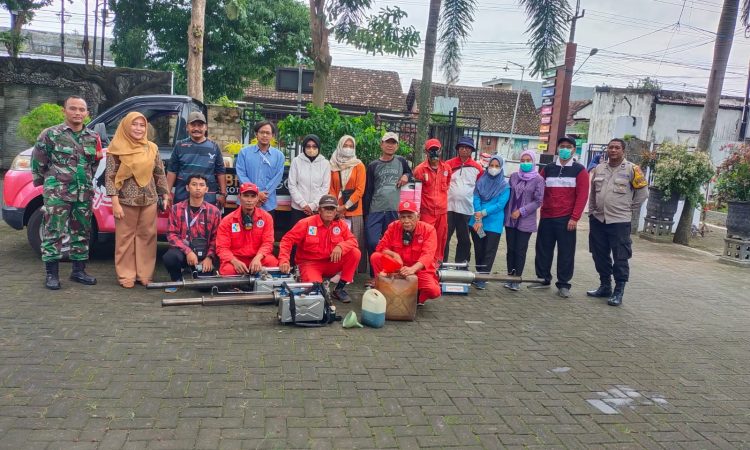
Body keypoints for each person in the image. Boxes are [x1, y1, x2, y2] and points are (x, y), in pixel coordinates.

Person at [31, 95, 102, 290]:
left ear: (87, 113)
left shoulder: (92, 137)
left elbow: (95, 163)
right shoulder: (50, 134)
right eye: (73, 108)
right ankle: (51, 274)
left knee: (81, 232)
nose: (77, 113)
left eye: (81, 109)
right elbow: (38, 162)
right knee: (54, 231)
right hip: (57, 193)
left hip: (83, 193)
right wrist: (50, 183)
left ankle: (78, 271)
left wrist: (85, 180)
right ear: (64, 111)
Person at [105, 112, 170, 288]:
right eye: (134, 124)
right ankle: (126, 275)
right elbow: (110, 177)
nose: (138, 129)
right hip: (126, 200)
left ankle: (145, 274)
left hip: (149, 199)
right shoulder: (116, 148)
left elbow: (159, 173)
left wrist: (165, 194)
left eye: (142, 125)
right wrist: (115, 202)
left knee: (147, 237)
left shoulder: (152, 148)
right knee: (125, 238)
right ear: (126, 126)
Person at [587, 138, 649, 306]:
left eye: (617, 148)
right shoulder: (599, 168)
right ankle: (605, 286)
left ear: (623, 151)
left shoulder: (632, 169)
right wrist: (591, 212)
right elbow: (593, 193)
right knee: (599, 255)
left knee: (620, 256)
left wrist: (628, 209)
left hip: (619, 221)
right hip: (598, 219)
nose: (613, 150)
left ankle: (618, 291)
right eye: (610, 147)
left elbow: (642, 194)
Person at [530, 136, 590, 298]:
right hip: (547, 216)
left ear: (574, 150)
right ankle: (542, 278)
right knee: (543, 249)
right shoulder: (548, 169)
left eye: (568, 147)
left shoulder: (580, 170)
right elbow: (537, 189)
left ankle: (564, 284)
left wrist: (575, 218)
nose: (565, 149)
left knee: (566, 252)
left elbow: (582, 196)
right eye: (562, 146)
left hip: (566, 218)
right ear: (557, 149)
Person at [279, 195, 361, 303]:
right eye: (325, 208)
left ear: (336, 211)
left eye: (332, 209)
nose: (329, 211)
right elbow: (287, 240)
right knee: (317, 293)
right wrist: (284, 260)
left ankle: (339, 289)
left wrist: (341, 246)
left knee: (355, 253)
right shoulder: (306, 223)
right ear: (319, 210)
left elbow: (353, 241)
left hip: (331, 262)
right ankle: (319, 286)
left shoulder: (340, 224)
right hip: (309, 264)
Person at [363, 132, 412, 283]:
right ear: (381, 144)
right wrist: (366, 213)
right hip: (376, 209)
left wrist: (406, 176)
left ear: (397, 146)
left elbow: (410, 173)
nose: (390, 145)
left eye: (393, 143)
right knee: (372, 241)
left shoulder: (401, 161)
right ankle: (374, 275)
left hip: (393, 210)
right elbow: (368, 190)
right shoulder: (373, 165)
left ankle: (389, 272)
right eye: (387, 142)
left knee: (391, 244)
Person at [370, 200, 441, 304]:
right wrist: (394, 255)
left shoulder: (429, 230)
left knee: (434, 291)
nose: (406, 221)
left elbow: (428, 255)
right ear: (399, 218)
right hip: (397, 268)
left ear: (418, 217)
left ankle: (416, 297)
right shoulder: (393, 226)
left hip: (418, 270)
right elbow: (381, 247)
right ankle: (383, 288)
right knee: (375, 257)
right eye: (403, 217)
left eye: (410, 216)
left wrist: (413, 269)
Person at [162, 174, 222, 292]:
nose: (198, 188)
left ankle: (199, 274)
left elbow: (217, 237)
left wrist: (209, 257)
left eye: (201, 185)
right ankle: (176, 279)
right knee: (170, 257)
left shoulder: (214, 211)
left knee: (204, 288)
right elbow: (171, 235)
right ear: (187, 188)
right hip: (184, 252)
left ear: (207, 189)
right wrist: (188, 251)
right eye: (194, 184)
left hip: (204, 255)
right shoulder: (176, 209)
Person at [216, 182, 279, 276]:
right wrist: (234, 261)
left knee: (272, 263)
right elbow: (222, 248)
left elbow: (268, 243)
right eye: (246, 196)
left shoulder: (266, 217)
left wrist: (258, 258)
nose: (249, 200)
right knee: (227, 270)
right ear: (239, 197)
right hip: (236, 259)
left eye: (253, 196)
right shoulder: (227, 220)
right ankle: (236, 289)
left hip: (257, 257)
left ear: (257, 198)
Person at [166, 111, 227, 208]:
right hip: (183, 196)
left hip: (208, 197)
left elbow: (221, 172)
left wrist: (223, 194)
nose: (196, 129)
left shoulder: (214, 147)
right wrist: (167, 193)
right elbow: (172, 171)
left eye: (200, 125)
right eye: (193, 125)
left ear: (206, 127)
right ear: (187, 127)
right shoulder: (180, 146)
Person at [504, 150, 545, 291]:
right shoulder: (514, 176)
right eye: (523, 160)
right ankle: (510, 276)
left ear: (533, 162)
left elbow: (538, 201)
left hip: (525, 220)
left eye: (528, 160)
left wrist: (521, 211)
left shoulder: (538, 179)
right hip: (510, 220)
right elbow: (508, 194)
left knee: (520, 250)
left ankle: (517, 279)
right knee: (510, 249)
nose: (525, 163)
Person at [468, 155, 511, 289]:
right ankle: (480, 274)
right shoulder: (481, 181)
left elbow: (500, 204)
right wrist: (479, 215)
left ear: (501, 168)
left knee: (489, 250)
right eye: (491, 165)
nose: (493, 168)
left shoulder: (505, 186)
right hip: (478, 222)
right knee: (479, 248)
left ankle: (483, 277)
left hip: (493, 224)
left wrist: (483, 212)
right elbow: (475, 197)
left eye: (497, 166)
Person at [328, 135, 368, 273]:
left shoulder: (359, 165)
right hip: (336, 210)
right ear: (340, 146)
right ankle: (336, 268)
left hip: (354, 210)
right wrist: (334, 207)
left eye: (351, 146)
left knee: (353, 241)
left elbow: (360, 190)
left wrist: (344, 207)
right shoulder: (333, 165)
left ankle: (352, 271)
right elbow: (331, 188)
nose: (348, 149)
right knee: (337, 240)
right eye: (346, 145)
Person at [444, 136, 483, 263]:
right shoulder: (448, 164)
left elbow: (479, 190)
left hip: (467, 209)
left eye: (467, 148)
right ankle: (441, 264)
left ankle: (461, 265)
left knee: (464, 239)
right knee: (444, 237)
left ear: (471, 150)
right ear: (458, 149)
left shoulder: (478, 168)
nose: (464, 150)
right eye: (462, 147)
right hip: (448, 208)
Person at [413, 138, 451, 262]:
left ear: (441, 150)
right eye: (431, 151)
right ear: (426, 152)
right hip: (426, 213)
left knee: (440, 240)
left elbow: (447, 185)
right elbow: (416, 192)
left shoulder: (446, 169)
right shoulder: (420, 170)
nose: (434, 153)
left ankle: (436, 266)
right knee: (424, 239)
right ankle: (423, 264)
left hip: (442, 213)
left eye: (436, 150)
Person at [235, 121, 285, 215]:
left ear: (272, 135)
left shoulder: (279, 156)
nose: (265, 135)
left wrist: (262, 196)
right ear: (256, 134)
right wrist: (256, 193)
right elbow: (241, 174)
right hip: (246, 200)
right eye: (262, 132)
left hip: (267, 202)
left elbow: (277, 177)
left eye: (268, 133)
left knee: (266, 229)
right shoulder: (244, 153)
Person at [288, 134, 331, 224]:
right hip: (298, 208)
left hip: (316, 209)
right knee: (297, 236)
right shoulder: (296, 161)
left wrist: (313, 205)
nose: (311, 149)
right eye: (308, 146)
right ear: (304, 147)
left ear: (319, 147)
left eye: (314, 146)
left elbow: (325, 187)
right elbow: (292, 185)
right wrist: (303, 204)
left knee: (314, 236)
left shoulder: (325, 163)